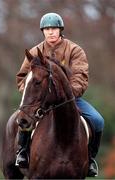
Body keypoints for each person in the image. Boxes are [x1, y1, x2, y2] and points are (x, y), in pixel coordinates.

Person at [15, 12, 104, 177]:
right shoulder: (34, 52)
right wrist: (34, 96)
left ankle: (90, 159)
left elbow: (80, 77)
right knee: (22, 118)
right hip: (41, 101)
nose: (50, 32)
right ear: (43, 31)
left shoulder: (75, 50)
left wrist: (68, 94)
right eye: (47, 29)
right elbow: (22, 78)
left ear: (60, 30)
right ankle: (22, 152)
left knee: (98, 120)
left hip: (70, 100)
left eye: (54, 28)